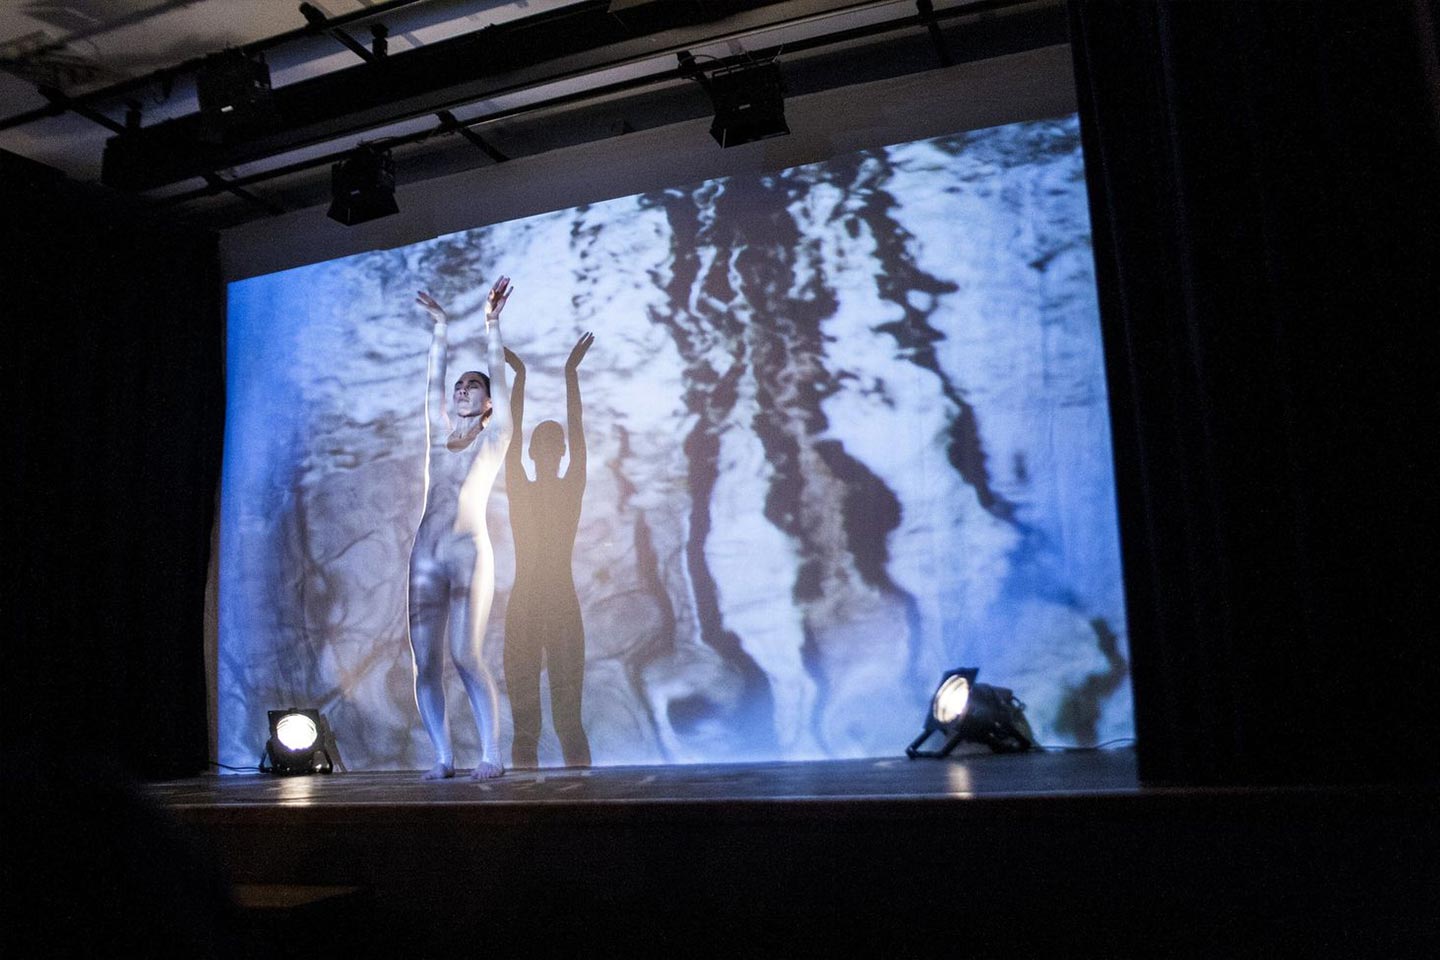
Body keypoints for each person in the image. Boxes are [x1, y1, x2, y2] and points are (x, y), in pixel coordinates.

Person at [408, 278, 514, 779]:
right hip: (425, 555)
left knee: (465, 654)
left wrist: (492, 324)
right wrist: (441, 329)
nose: (462, 389)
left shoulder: (494, 437)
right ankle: (443, 757)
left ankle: (491, 754)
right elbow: (433, 382)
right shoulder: (439, 436)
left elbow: (501, 380)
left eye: (473, 385)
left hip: (468, 553)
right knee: (425, 662)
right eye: (460, 386)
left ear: (488, 403)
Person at [502, 333, 595, 767]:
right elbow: (510, 434)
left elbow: (577, 430)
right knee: (525, 727)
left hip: (559, 603)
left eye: (554, 443)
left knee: (569, 720)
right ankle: (523, 798)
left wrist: (570, 374)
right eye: (542, 443)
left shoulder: (570, 486)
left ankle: (582, 795)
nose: (548, 449)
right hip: (525, 604)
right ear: (534, 451)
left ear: (560, 453)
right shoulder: (519, 487)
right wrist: (519, 377)